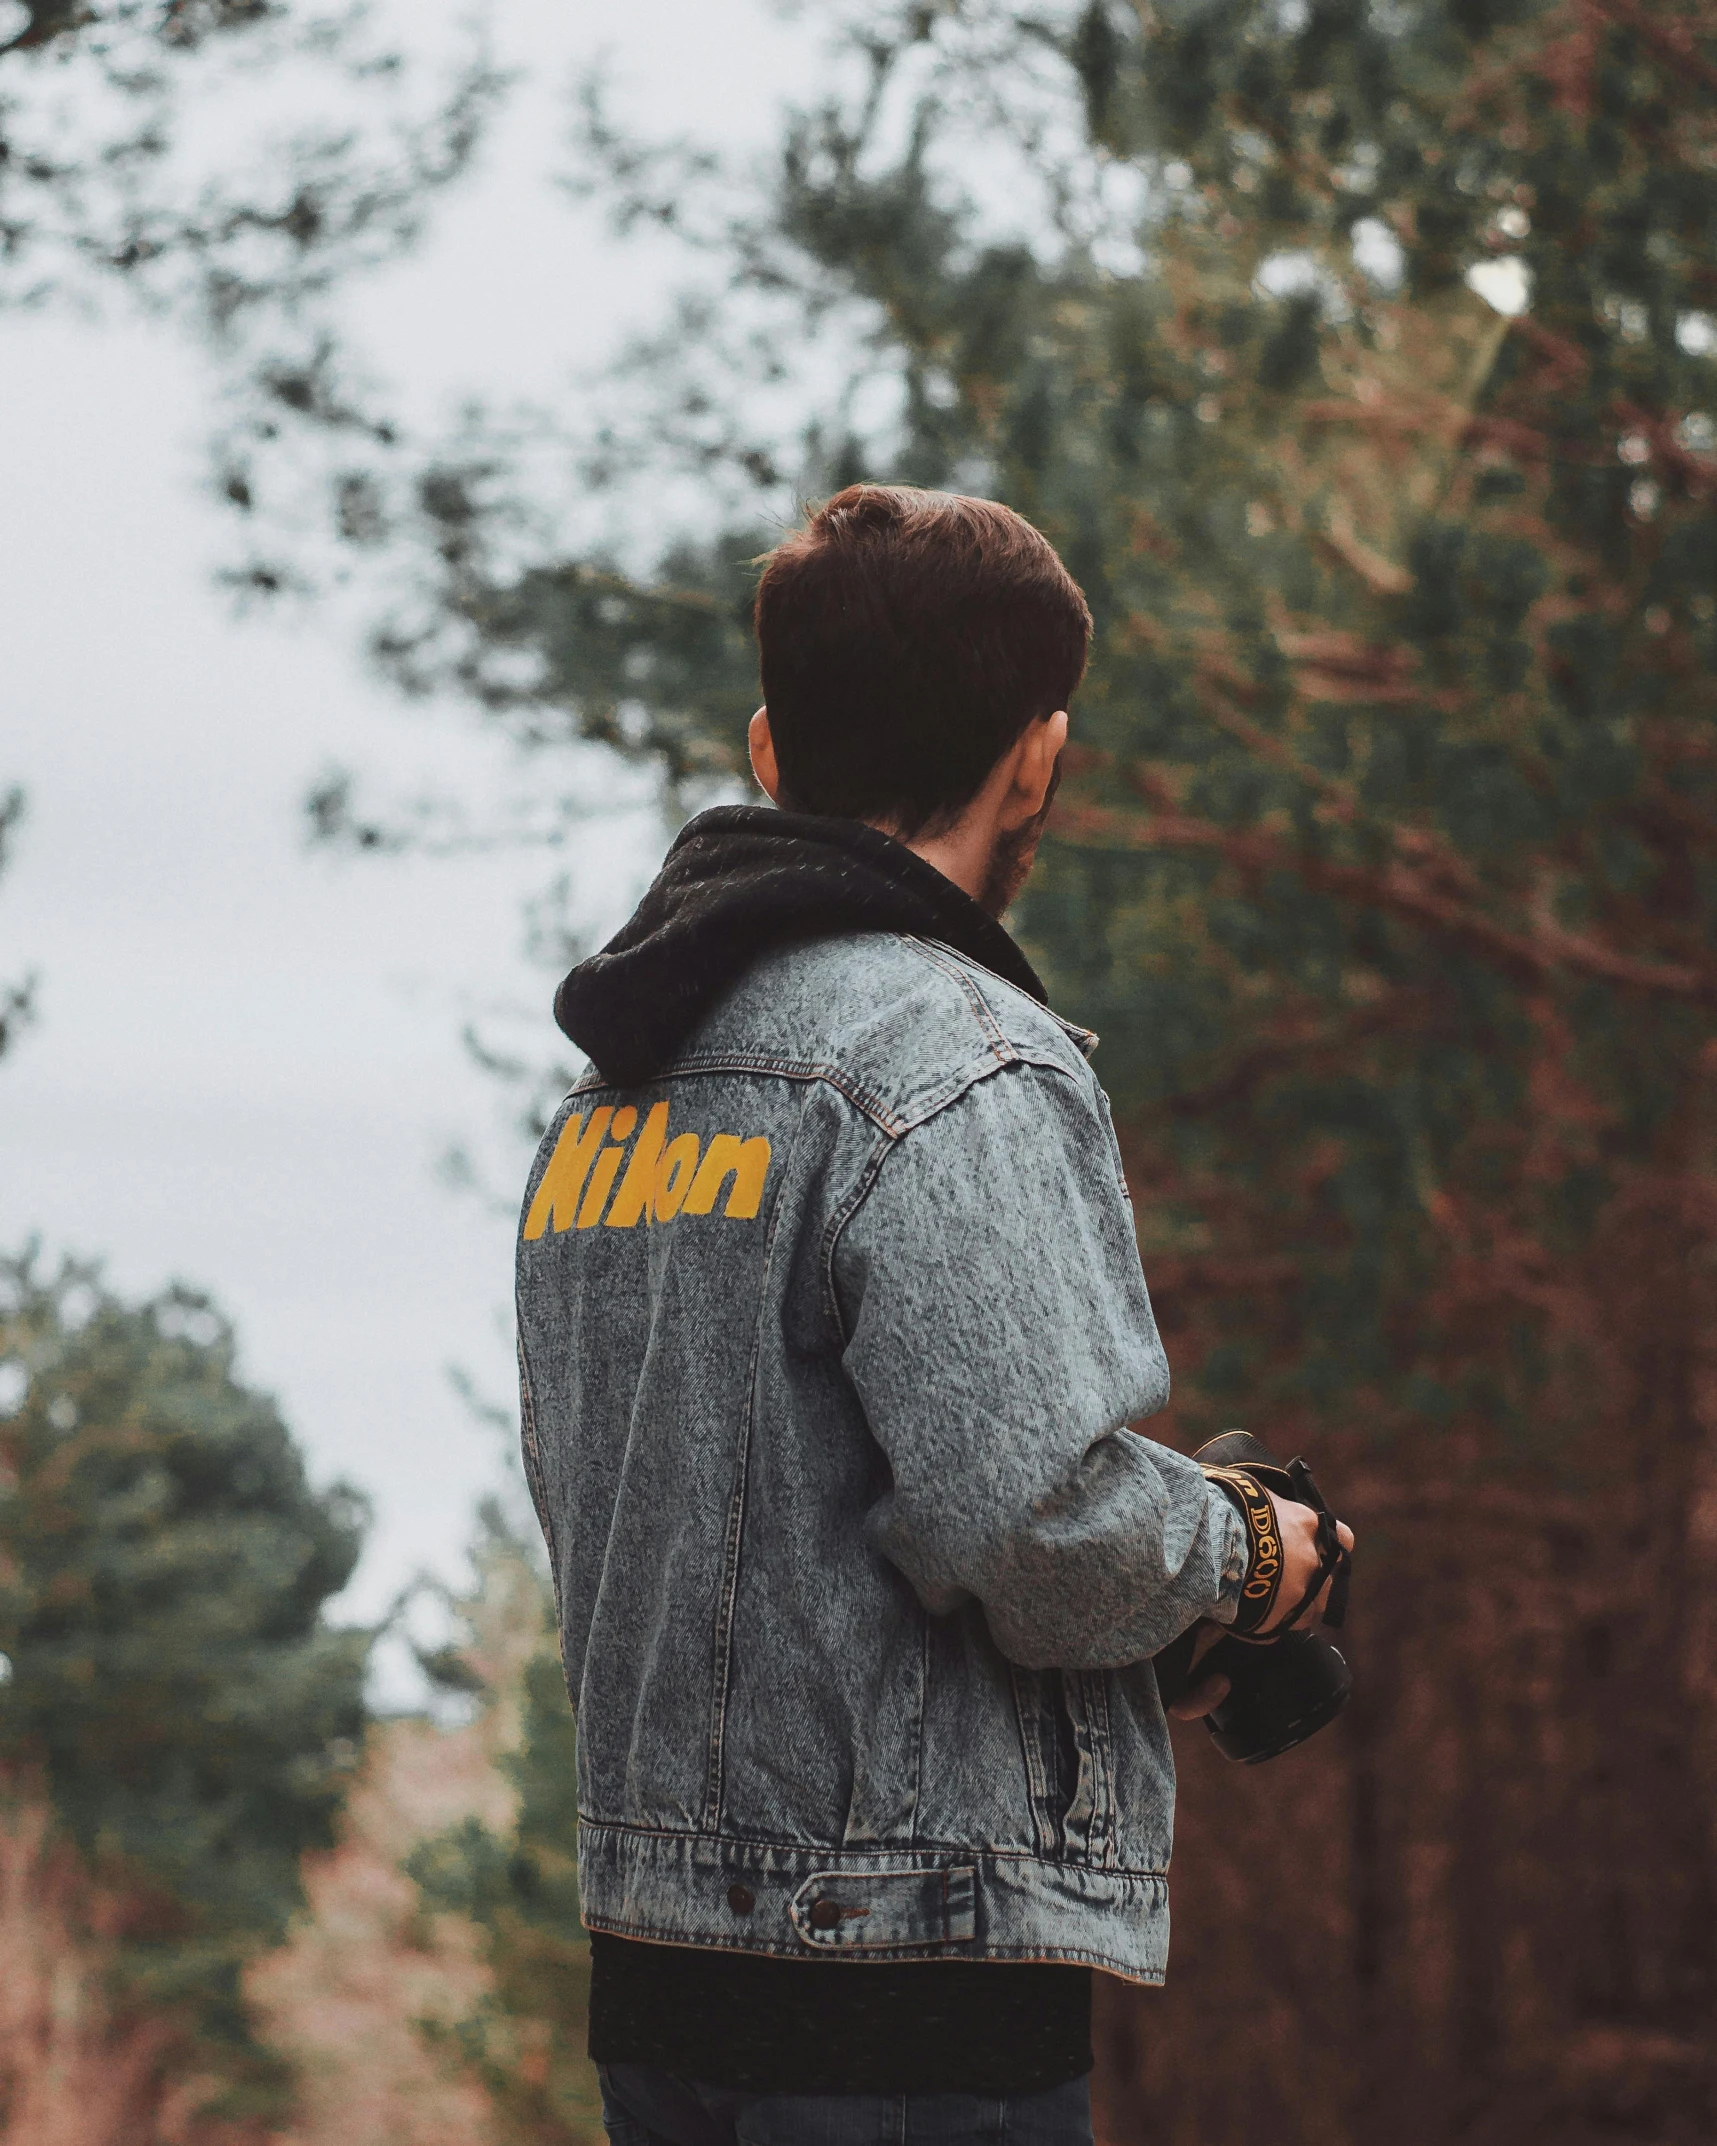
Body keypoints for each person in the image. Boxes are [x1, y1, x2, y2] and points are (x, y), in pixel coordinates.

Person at [516, 484, 1354, 2146]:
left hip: (659, 1981)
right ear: (1035, 758)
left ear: (770, 748)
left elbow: (763, 1554)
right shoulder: (959, 1059)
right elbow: (1038, 1527)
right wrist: (1260, 1556)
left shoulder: (607, 1115)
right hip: (906, 2004)